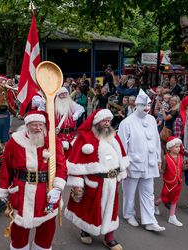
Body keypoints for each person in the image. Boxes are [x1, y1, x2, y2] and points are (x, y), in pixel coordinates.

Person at [0, 110, 67, 250]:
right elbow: (6, 167)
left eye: (40, 124)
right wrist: (4, 189)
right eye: (34, 125)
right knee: (19, 233)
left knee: (46, 233)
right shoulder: (15, 141)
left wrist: (57, 188)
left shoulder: (52, 141)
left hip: (46, 192)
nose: (38, 128)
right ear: (27, 125)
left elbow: (61, 165)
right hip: (21, 191)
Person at [64, 109, 128, 250]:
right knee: (88, 208)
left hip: (112, 181)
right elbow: (76, 163)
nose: (107, 124)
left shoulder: (114, 136)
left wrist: (121, 173)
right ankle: (85, 229)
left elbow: (122, 156)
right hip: (93, 182)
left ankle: (109, 238)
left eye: (108, 121)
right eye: (104, 121)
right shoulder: (84, 138)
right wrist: (77, 184)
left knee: (111, 209)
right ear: (96, 122)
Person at [118, 89, 165, 232]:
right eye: (143, 105)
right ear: (136, 105)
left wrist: (158, 158)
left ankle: (149, 220)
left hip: (149, 164)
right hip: (133, 164)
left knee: (148, 192)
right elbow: (121, 146)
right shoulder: (126, 123)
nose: (146, 108)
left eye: (148, 105)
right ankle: (128, 214)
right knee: (129, 192)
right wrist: (123, 165)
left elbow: (156, 140)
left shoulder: (151, 120)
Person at [154, 136, 184, 227]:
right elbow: (163, 170)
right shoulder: (165, 158)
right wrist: (158, 168)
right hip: (169, 183)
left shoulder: (180, 157)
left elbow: (182, 168)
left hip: (178, 182)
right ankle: (155, 204)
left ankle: (172, 216)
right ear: (170, 148)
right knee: (164, 198)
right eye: (176, 147)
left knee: (175, 199)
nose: (178, 149)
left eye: (179, 147)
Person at [54, 87, 84, 157]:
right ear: (58, 95)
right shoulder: (53, 105)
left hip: (71, 135)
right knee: (60, 154)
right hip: (59, 135)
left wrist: (76, 114)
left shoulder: (71, 103)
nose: (64, 95)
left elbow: (81, 108)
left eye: (65, 94)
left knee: (72, 154)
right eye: (62, 94)